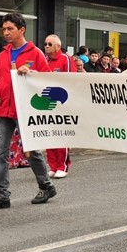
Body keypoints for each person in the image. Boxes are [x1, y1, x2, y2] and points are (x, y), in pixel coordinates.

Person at [0, 12, 56, 211]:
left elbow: (47, 81)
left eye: (10, 29)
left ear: (22, 30)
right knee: (0, 153)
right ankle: (2, 196)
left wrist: (32, 73)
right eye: (4, 29)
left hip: (26, 109)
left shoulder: (36, 53)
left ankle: (46, 185)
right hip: (4, 109)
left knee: (31, 151)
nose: (6, 32)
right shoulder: (2, 55)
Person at [43, 34, 75, 179]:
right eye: (45, 44)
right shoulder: (45, 60)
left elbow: (69, 79)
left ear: (58, 46)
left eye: (50, 44)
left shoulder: (65, 59)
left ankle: (62, 166)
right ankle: (53, 166)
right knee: (49, 134)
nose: (46, 46)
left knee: (61, 134)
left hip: (61, 102)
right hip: (47, 102)